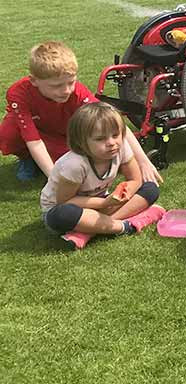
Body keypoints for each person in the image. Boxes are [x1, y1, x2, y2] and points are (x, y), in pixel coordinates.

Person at [2, 41, 161, 185]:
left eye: (71, 82)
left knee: (75, 161)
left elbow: (112, 122)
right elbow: (34, 141)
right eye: (56, 86)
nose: (66, 91)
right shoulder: (18, 93)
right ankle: (26, 158)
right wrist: (55, 181)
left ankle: (48, 158)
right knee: (8, 133)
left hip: (63, 132)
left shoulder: (77, 92)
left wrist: (143, 160)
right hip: (38, 131)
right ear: (34, 81)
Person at [39, 102, 164, 250]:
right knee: (63, 214)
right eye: (100, 139)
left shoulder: (121, 146)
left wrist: (126, 192)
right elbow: (65, 201)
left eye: (116, 135)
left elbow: (135, 179)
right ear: (81, 141)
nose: (111, 143)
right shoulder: (74, 164)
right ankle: (123, 226)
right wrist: (105, 204)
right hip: (67, 210)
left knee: (150, 188)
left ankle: (92, 230)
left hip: (102, 203)